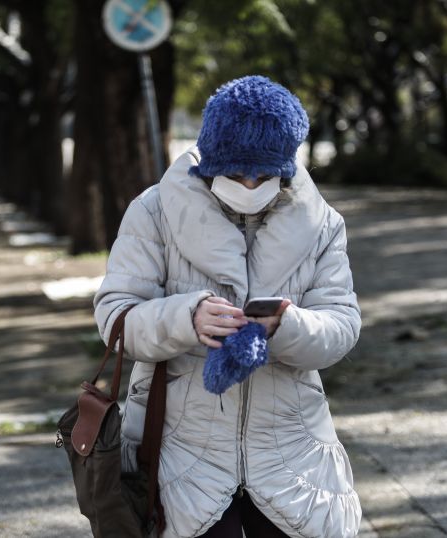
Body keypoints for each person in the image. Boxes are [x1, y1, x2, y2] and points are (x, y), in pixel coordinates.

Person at [93, 76, 362, 538]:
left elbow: (341, 326)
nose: (251, 185)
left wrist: (287, 325)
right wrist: (185, 317)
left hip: (291, 453)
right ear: (211, 161)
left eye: (265, 174)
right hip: (179, 455)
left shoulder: (322, 224)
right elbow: (116, 317)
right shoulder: (153, 211)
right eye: (237, 174)